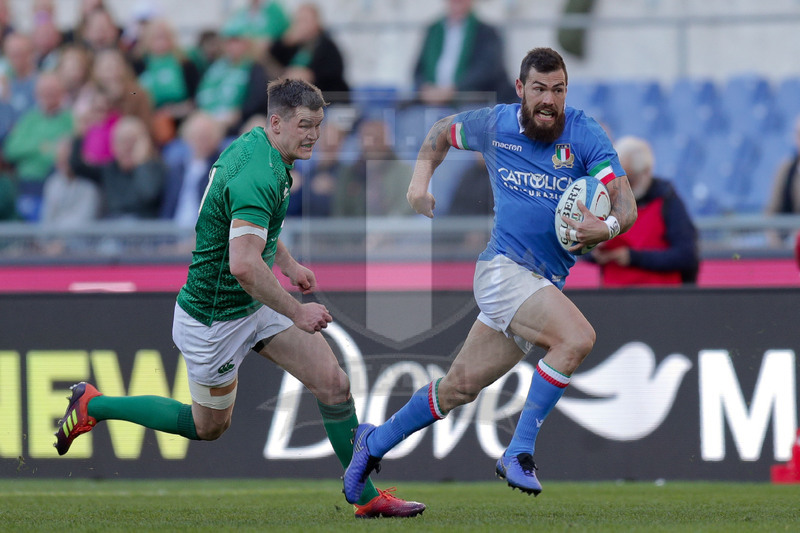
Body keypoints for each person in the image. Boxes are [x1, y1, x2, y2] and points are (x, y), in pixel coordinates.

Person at [54, 78, 425, 519]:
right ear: (276, 122)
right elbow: (244, 265)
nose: (313, 135)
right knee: (208, 426)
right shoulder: (258, 173)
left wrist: (286, 263)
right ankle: (93, 404)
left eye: (318, 125)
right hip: (215, 318)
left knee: (333, 383)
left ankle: (365, 499)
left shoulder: (262, 148)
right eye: (305, 125)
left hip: (254, 301)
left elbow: (253, 234)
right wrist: (296, 309)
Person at [342, 47, 637, 502]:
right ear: (521, 89)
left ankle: (372, 443)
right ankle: (518, 451)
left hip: (541, 285)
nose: (548, 100)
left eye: (557, 90)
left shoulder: (583, 133)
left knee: (460, 386)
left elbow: (625, 203)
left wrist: (609, 225)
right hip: (502, 271)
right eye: (539, 89)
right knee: (576, 338)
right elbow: (440, 132)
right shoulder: (495, 125)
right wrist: (419, 184)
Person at [589, 136, 699, 286]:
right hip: (613, 296)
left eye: (630, 180)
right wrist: (593, 249)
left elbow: (686, 255)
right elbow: (583, 245)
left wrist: (634, 258)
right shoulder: (607, 198)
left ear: (646, 172)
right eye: (619, 179)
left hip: (659, 296)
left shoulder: (667, 201)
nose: (623, 187)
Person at [413, 0, 516, 106]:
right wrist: (426, 89)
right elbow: (419, 70)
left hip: (472, 101)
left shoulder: (487, 32)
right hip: (431, 102)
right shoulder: (433, 30)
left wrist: (453, 90)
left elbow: (487, 70)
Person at [2, 71, 73, 221]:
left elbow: (62, 155)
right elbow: (11, 149)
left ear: (61, 93)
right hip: (24, 184)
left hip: (55, 183)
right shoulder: (29, 119)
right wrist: (40, 147)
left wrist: (33, 151)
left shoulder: (70, 120)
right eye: (44, 91)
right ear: (37, 94)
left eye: (53, 91)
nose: (49, 95)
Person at [69, 115, 166, 219]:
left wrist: (141, 162)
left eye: (132, 141)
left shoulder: (155, 168)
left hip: (143, 229)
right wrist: (81, 133)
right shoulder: (109, 169)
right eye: (121, 141)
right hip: (113, 227)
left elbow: (148, 194)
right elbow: (77, 166)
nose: (126, 147)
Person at [267, 3, 349, 104]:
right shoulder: (293, 46)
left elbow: (334, 72)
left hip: (325, 100)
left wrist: (311, 75)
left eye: (305, 20)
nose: (301, 25)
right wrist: (284, 42)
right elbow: (272, 59)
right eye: (298, 21)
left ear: (316, 22)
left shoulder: (326, 46)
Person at [765, 114, 800, 246]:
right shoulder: (786, 169)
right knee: (737, 257)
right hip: (790, 247)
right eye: (799, 134)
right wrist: (779, 245)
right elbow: (772, 212)